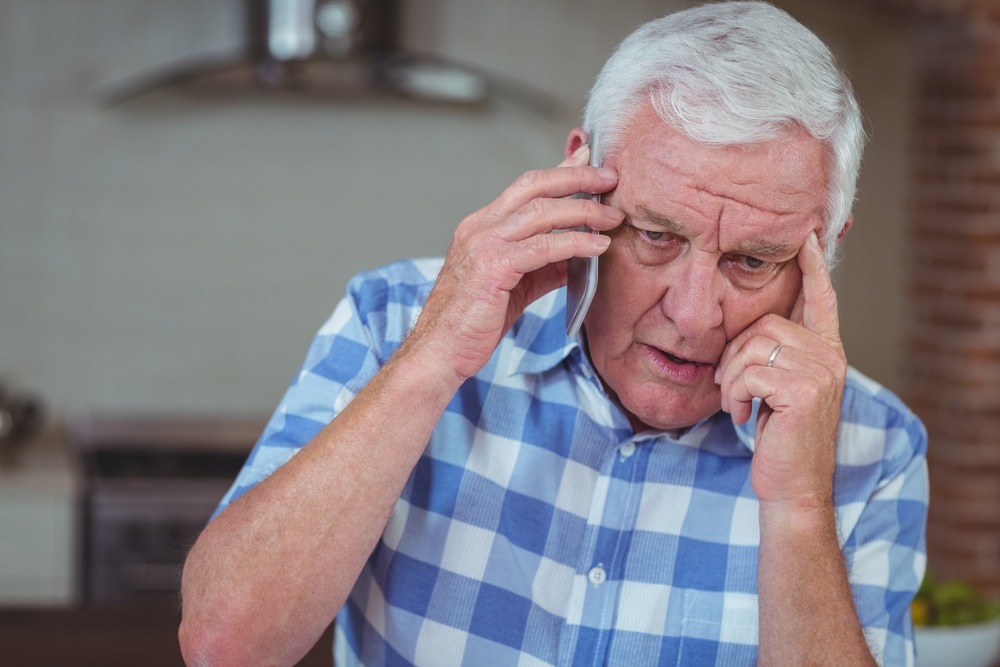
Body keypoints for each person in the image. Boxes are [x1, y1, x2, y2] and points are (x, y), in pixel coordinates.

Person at [179, 2, 928, 665]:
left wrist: (798, 507)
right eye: (657, 235)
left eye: (753, 260)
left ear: (822, 251)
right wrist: (432, 362)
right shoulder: (395, 319)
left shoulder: (876, 446)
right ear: (580, 180)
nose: (696, 313)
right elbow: (223, 646)